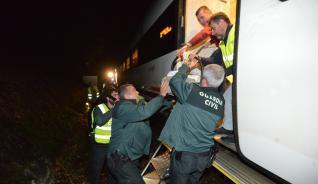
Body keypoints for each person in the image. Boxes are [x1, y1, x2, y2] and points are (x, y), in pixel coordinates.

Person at [159, 59, 225, 183]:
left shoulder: (191, 91)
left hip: (185, 156)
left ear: (204, 80)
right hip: (204, 157)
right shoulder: (221, 101)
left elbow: (175, 81)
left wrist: (186, 67)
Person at [107, 82, 169, 183]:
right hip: (119, 157)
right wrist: (161, 95)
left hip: (130, 157)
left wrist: (169, 102)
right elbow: (145, 111)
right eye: (134, 90)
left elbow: (153, 109)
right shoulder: (122, 107)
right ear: (127, 95)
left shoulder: (135, 106)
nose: (138, 92)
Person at [209, 12, 235, 136]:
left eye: (213, 28)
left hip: (246, 75)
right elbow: (222, 61)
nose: (212, 33)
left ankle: (231, 130)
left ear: (221, 23)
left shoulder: (236, 32)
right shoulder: (223, 42)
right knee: (227, 97)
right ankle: (229, 129)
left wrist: (223, 73)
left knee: (229, 97)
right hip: (238, 77)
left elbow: (240, 59)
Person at [89, 88, 119, 184]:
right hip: (99, 145)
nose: (117, 97)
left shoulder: (118, 109)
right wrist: (113, 110)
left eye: (118, 95)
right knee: (96, 170)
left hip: (113, 145)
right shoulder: (99, 108)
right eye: (115, 95)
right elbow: (99, 121)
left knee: (113, 171)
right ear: (108, 97)